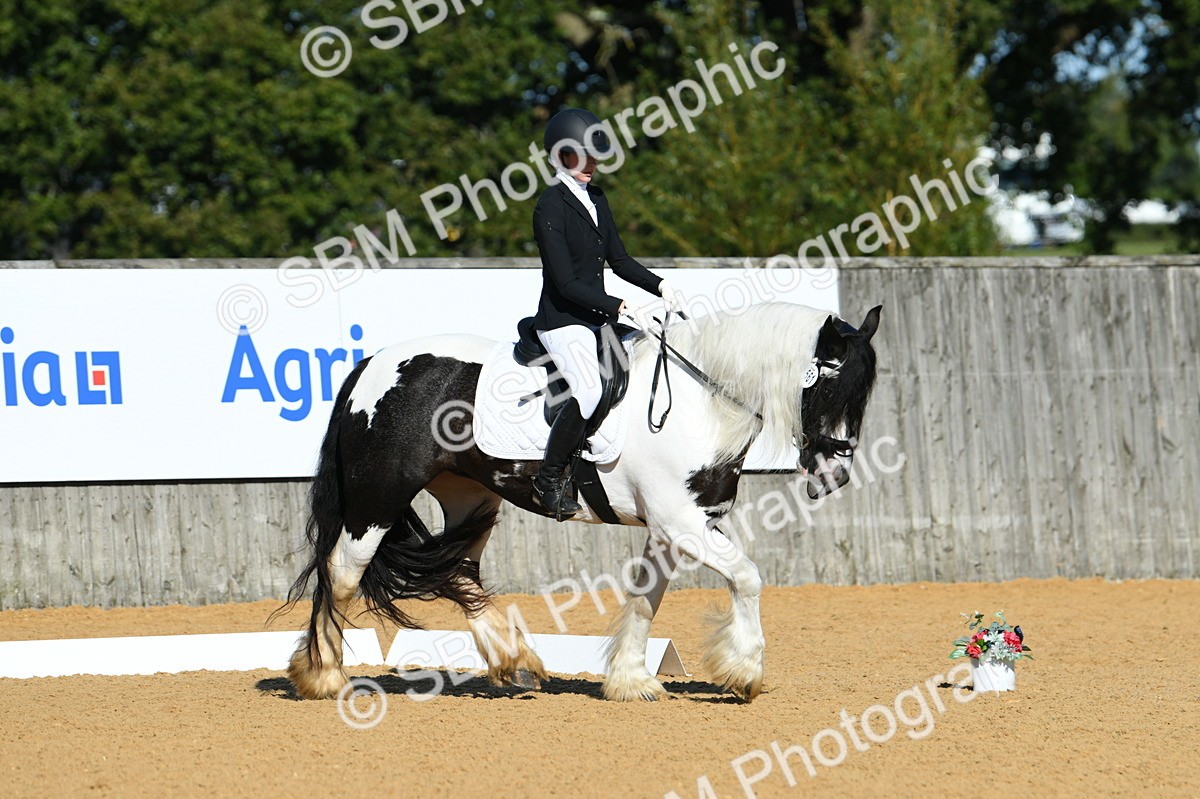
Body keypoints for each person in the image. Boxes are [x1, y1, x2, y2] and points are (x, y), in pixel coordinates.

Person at [527, 107, 683, 519]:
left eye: (595, 155)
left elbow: (620, 259)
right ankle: (549, 478)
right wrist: (620, 305)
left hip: (597, 318)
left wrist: (660, 285)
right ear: (561, 156)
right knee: (589, 390)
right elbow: (564, 284)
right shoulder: (550, 206)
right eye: (584, 155)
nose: (593, 164)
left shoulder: (596, 198)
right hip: (562, 322)